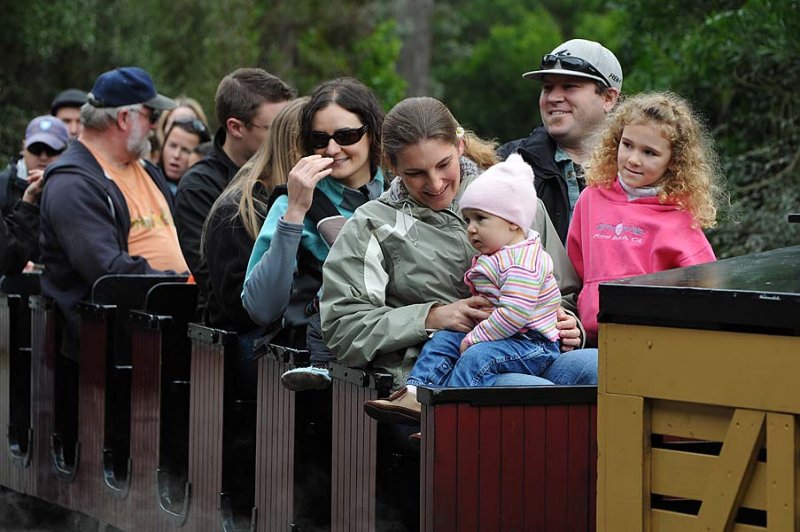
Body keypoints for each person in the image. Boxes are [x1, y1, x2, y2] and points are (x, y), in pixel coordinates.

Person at [321, 97, 596, 424]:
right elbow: (343, 328)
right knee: (526, 397)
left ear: (461, 146)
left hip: (531, 350)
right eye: (415, 173)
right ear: (392, 167)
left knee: (602, 370)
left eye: (443, 165)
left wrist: (569, 323)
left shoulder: (515, 205)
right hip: (437, 374)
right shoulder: (371, 224)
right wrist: (432, 317)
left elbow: (565, 292)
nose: (435, 184)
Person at [365, 154, 562, 422]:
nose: (471, 229)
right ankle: (415, 395)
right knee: (444, 338)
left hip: (531, 343)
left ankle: (448, 419)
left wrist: (475, 338)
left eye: (480, 219)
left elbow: (515, 313)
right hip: (502, 336)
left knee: (477, 357)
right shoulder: (498, 254)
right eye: (468, 220)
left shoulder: (523, 262)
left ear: (513, 221)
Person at [242, 78, 386, 391]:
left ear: (372, 133)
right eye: (320, 139)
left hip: (391, 362)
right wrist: (294, 212)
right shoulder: (292, 203)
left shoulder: (400, 195)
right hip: (315, 375)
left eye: (346, 135)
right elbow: (261, 308)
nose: (333, 149)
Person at [40, 66, 186, 360]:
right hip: (101, 355)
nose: (155, 127)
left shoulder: (145, 167)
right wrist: (181, 285)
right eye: (152, 116)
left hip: (152, 334)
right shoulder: (72, 183)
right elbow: (108, 270)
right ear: (123, 118)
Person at [567, 91, 723, 344]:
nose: (634, 159)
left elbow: (707, 288)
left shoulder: (679, 219)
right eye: (627, 145)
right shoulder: (591, 198)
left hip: (649, 340)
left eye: (650, 152)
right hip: (589, 336)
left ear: (673, 162)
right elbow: (576, 268)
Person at [175, 68, 295, 318]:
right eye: (276, 128)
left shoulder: (292, 171)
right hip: (234, 330)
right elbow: (216, 281)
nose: (288, 138)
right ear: (236, 127)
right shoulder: (199, 186)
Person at [203, 97, 307, 344]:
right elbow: (241, 308)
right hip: (251, 344)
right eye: (319, 140)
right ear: (295, 147)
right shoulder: (238, 211)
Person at [498, 38, 623, 243]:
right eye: (547, 87)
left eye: (569, 86)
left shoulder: (643, 168)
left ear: (608, 98)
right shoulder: (506, 162)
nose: (553, 97)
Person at [159, 117, 211, 194]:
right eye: (172, 146)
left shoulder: (206, 193)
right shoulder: (146, 180)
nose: (176, 155)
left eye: (185, 150)